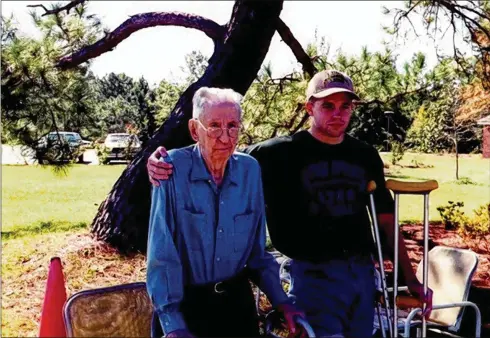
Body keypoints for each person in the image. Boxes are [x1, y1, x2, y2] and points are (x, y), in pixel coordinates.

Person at [147, 71, 433, 337]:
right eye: (328, 105)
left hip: (358, 274)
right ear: (310, 108)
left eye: (345, 106)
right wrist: (157, 161)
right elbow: (216, 156)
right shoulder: (277, 153)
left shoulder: (364, 154)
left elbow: (384, 219)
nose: (338, 114)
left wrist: (411, 278)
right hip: (312, 276)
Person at [146, 87, 305, 338]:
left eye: (232, 126)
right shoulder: (171, 169)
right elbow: (162, 255)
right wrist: (173, 324)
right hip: (187, 308)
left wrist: (282, 301)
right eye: (214, 126)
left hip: (235, 306)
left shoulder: (249, 170)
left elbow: (256, 253)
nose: (225, 137)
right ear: (194, 129)